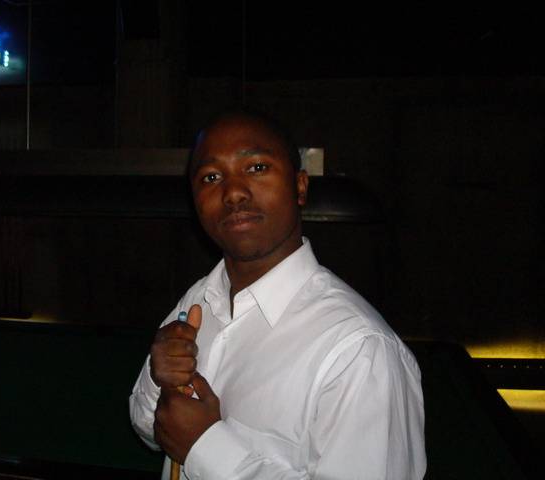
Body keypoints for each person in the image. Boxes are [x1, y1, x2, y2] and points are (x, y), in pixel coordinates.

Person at [129, 110, 426, 479]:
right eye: (211, 177)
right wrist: (158, 379)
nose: (233, 192)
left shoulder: (360, 350)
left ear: (300, 187)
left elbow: (188, 442)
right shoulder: (199, 299)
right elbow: (149, 429)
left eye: (256, 168)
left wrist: (205, 447)